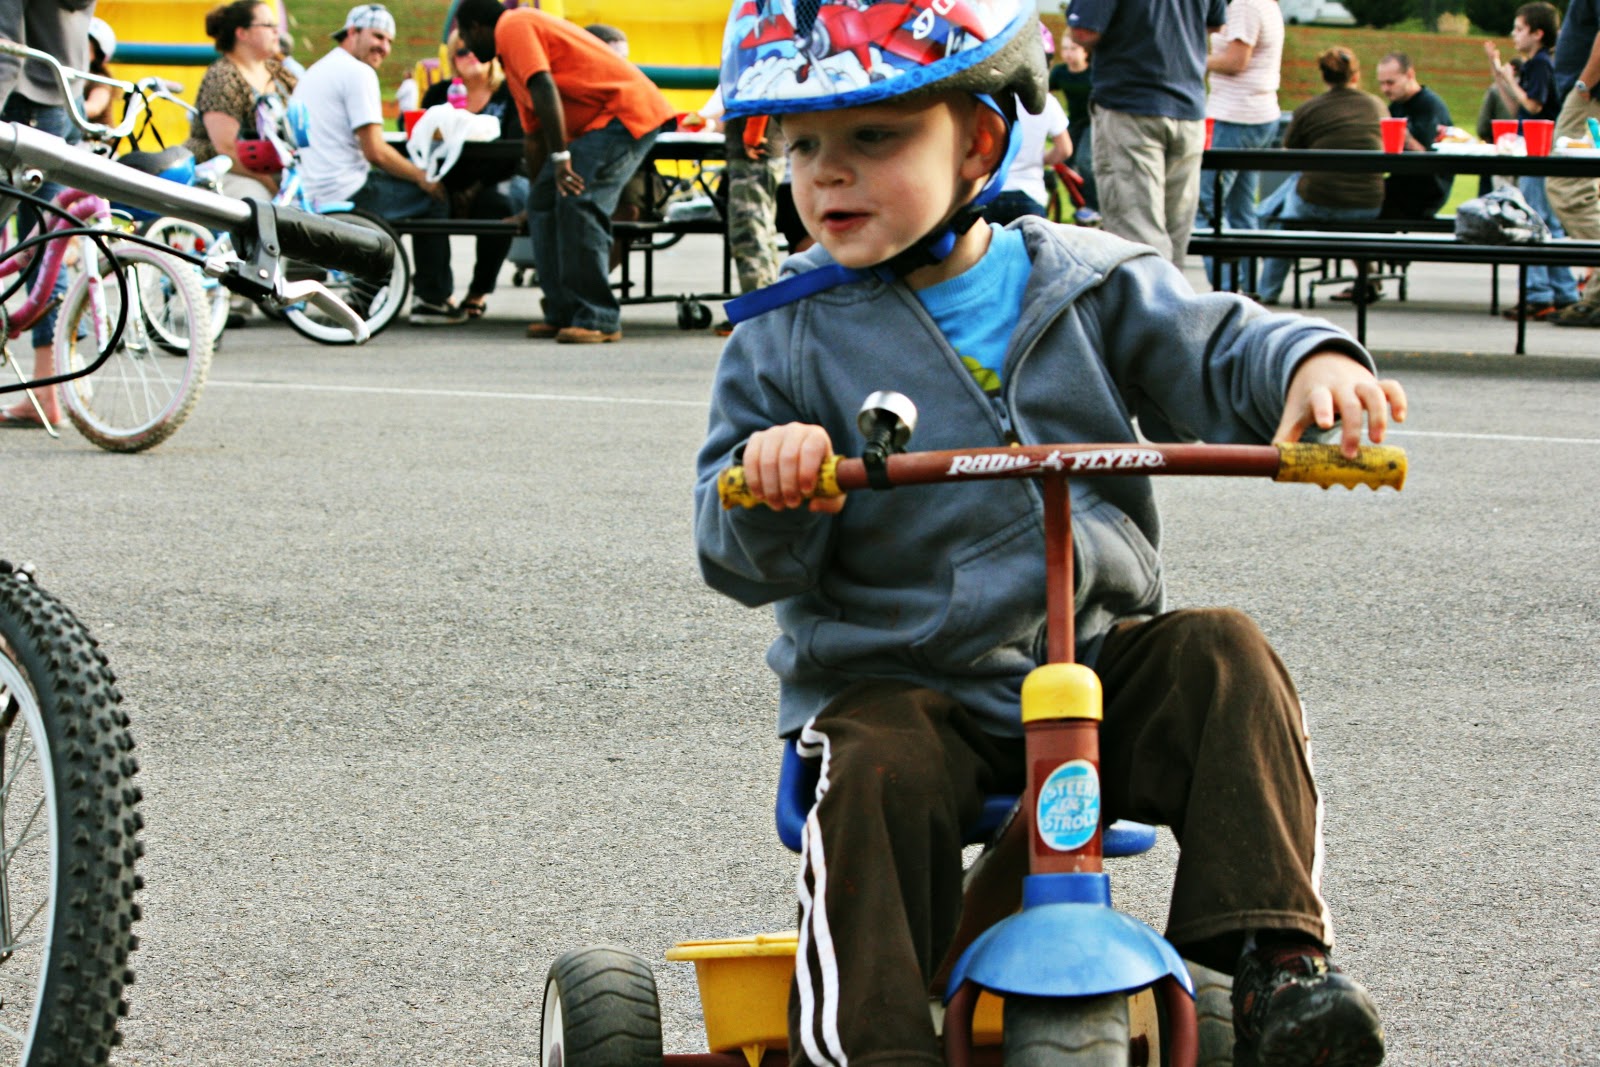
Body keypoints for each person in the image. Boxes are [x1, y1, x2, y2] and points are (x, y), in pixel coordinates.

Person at [695, 3, 1401, 1066]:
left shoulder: (1085, 280)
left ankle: (1274, 963)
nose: (826, 172)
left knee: (1224, 654)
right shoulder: (783, 337)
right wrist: (772, 487)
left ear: (979, 142)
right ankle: (869, 1045)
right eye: (800, 145)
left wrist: (1308, 363)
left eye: (873, 135)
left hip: (1091, 663)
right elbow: (728, 547)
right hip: (902, 683)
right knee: (876, 767)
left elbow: (1215, 345)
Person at [455, 0, 675, 345]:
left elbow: (544, 86)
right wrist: (537, 196)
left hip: (622, 114)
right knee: (543, 205)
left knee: (579, 199)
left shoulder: (514, 25)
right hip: (597, 126)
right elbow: (534, 137)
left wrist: (560, 157)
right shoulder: (510, 61)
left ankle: (599, 317)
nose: (467, 46)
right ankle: (563, 311)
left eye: (466, 37)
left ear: (476, 27)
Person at [292, 3, 464, 326]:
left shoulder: (318, 69)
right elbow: (376, 152)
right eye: (378, 37)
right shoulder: (358, 73)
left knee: (395, 198)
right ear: (352, 32)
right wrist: (423, 177)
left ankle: (363, 297)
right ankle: (433, 298)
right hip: (344, 189)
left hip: (310, 188)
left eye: (389, 41)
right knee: (431, 198)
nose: (384, 47)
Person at [1068, 0, 1227, 266]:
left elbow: (1084, 30)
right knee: (1175, 229)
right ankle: (1169, 291)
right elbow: (1215, 22)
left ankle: (1150, 292)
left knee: (1136, 232)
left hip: (1130, 108)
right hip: (1188, 110)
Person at [0, 0, 97, 429]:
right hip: (66, 94)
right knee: (48, 242)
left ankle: (47, 390)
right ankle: (51, 385)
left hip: (22, 99)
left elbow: (6, 46)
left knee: (39, 241)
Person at [1255, 47, 1385, 306]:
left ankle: (1267, 289)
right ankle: (1370, 275)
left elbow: (1291, 152)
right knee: (1305, 187)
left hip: (1317, 203)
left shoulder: (1309, 109)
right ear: (1356, 75)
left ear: (1324, 76)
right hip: (1367, 204)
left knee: (1285, 220)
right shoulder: (1376, 105)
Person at [418, 31, 525, 320]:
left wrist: (475, 188)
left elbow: (515, 152)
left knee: (498, 204)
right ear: (453, 59)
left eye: (477, 50)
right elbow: (422, 139)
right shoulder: (438, 94)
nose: (470, 57)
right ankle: (435, 294)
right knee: (424, 200)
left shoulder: (510, 93)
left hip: (498, 178)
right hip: (448, 179)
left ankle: (479, 290)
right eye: (462, 52)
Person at [1488, 2, 1579, 320]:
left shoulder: (1541, 64)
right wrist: (1500, 76)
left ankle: (1539, 294)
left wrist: (1510, 81)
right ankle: (1563, 291)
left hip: (1540, 150)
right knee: (1545, 222)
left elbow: (1534, 106)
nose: (1514, 35)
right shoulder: (1535, 65)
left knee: (1534, 222)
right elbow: (1518, 110)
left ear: (1537, 33)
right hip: (1534, 148)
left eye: (1519, 29)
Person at [1197, 0, 1284, 290]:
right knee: (1241, 210)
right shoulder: (1265, 4)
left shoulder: (1245, 6)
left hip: (1236, 117)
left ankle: (1225, 288)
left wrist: (1191, 58)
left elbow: (1236, 61)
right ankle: (1248, 286)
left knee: (1206, 206)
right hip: (1259, 114)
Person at [185, 0, 298, 200]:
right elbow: (226, 149)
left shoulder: (280, 74)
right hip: (227, 174)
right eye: (268, 25)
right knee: (258, 203)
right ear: (242, 33)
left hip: (280, 173)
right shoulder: (223, 76)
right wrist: (272, 185)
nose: (276, 31)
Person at [1545, 0, 1600, 325]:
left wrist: (1583, 85)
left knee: (1567, 187)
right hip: (1590, 93)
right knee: (1584, 190)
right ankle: (1595, 299)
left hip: (1590, 95)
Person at [985, 23, 1071, 226]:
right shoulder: (1048, 103)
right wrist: (1039, 159)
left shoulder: (992, 100)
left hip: (991, 193)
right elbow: (1065, 149)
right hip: (1030, 195)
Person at [1374, 53, 1453, 221]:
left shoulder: (1429, 106)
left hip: (1425, 191)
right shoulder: (1396, 106)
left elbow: (1427, 156)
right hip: (1401, 183)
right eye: (1381, 83)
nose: (1385, 89)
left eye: (1390, 82)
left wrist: (1403, 135)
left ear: (1409, 75)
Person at [1049, 35, 1097, 212]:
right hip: (1074, 122)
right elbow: (1043, 94)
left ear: (1085, 52)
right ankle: (1079, 204)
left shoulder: (1093, 73)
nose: (1068, 54)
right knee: (1064, 163)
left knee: (1085, 161)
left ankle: (1094, 206)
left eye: (1074, 49)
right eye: (1065, 49)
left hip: (1093, 123)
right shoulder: (1060, 72)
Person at [83, 15, 115, 124]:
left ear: (96, 56)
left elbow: (94, 108)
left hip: (93, 134)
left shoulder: (100, 81)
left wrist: (61, 109)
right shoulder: (63, 73)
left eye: (85, 49)